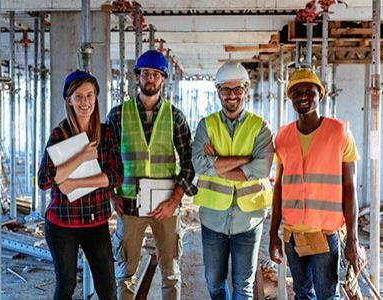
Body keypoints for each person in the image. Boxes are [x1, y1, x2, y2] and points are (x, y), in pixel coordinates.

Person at [106, 50, 196, 300]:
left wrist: (175, 200)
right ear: (137, 76)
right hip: (129, 204)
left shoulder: (175, 116)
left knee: (170, 272)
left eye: (156, 74)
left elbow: (189, 162)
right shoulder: (117, 114)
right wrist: (112, 196)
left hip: (165, 205)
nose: (150, 79)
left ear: (163, 79)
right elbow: (106, 160)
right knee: (126, 273)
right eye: (146, 73)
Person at [269, 68, 365, 299]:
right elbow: (279, 188)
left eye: (309, 91)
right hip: (292, 235)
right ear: (290, 97)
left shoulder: (339, 132)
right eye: (297, 92)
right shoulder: (282, 136)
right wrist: (274, 233)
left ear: (319, 95)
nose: (303, 96)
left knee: (327, 295)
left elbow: (350, 188)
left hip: (325, 234)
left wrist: (352, 238)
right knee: (302, 293)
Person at [192, 62, 274, 300]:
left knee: (243, 285)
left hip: (249, 220)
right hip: (213, 219)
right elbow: (199, 164)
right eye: (225, 90)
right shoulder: (206, 125)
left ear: (246, 89)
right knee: (214, 282)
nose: (232, 96)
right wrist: (245, 160)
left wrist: (216, 164)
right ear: (218, 91)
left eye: (237, 89)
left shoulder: (260, 127)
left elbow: (261, 168)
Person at [38, 70, 123, 299]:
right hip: (62, 225)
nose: (85, 102)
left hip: (96, 222)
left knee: (108, 290)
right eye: (78, 96)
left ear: (96, 98)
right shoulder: (60, 135)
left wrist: (71, 181)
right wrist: (82, 156)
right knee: (66, 287)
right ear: (69, 100)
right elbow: (44, 181)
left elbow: (115, 176)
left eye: (90, 95)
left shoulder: (106, 133)